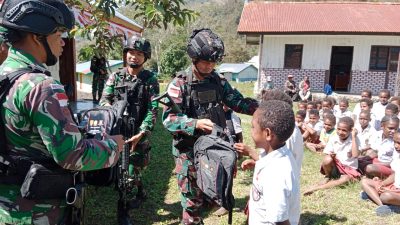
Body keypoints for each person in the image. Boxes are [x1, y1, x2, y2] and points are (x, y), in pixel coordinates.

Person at [0, 1, 124, 224]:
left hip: (7, 207)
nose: (64, 41)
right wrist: (114, 145)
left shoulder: (4, 76)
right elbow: (72, 155)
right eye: (58, 32)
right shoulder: (40, 86)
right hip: (39, 211)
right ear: (37, 36)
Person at [162, 28, 258, 225]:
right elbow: (169, 119)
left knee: (212, 194)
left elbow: (236, 101)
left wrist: (261, 109)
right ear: (194, 58)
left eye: (213, 62)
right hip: (187, 151)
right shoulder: (179, 84)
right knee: (191, 201)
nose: (209, 66)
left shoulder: (218, 81)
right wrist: (195, 123)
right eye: (206, 61)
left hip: (213, 150)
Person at [100, 35, 159, 211]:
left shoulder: (150, 80)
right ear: (125, 54)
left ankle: (138, 189)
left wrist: (141, 133)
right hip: (118, 131)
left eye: (139, 54)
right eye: (131, 52)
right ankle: (123, 209)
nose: (134, 57)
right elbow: (104, 100)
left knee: (134, 170)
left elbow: (153, 109)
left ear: (145, 57)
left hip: (138, 133)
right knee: (121, 174)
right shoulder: (115, 77)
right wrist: (113, 114)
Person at [247, 100, 300, 225]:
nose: (251, 130)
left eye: (253, 127)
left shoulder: (275, 174)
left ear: (268, 133)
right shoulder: (276, 155)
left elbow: (280, 220)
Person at [304, 117, 361, 195]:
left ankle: (317, 188)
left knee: (346, 178)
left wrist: (354, 137)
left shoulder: (354, 139)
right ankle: (328, 176)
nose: (340, 132)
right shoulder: (334, 138)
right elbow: (327, 153)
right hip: (337, 167)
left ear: (351, 130)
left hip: (348, 169)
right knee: (327, 159)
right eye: (338, 129)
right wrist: (332, 155)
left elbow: (355, 155)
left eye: (344, 130)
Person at [360, 132, 400, 216]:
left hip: (396, 191)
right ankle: (382, 205)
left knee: (386, 196)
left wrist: (391, 191)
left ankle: (374, 197)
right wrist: (381, 184)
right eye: (395, 142)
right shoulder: (397, 155)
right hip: (394, 187)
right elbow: (395, 175)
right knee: (365, 181)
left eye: (399, 143)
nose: (396, 146)